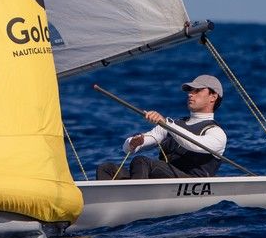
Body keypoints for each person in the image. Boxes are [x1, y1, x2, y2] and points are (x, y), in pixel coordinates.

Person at [96, 75, 227, 180]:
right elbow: (126, 149)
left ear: (213, 97)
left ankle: (136, 202)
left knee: (141, 161)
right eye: (190, 91)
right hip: (163, 178)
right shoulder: (172, 125)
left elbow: (196, 145)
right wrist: (134, 143)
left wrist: (166, 123)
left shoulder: (216, 132)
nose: (190, 94)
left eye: (197, 91)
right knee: (106, 168)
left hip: (191, 183)